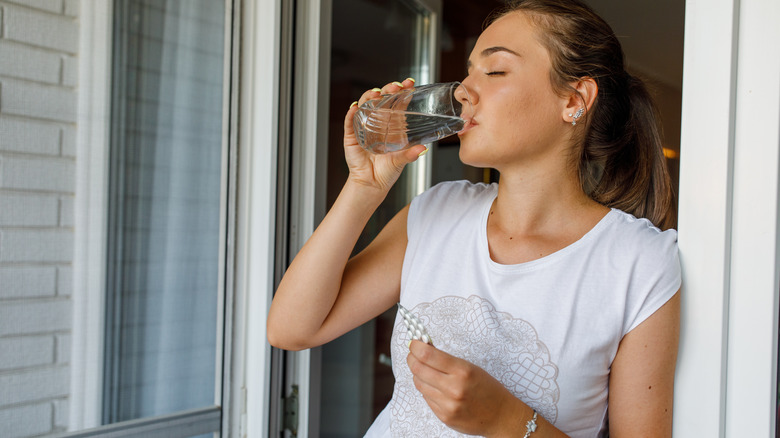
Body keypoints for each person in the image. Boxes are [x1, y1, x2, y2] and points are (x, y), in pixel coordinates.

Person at [267, 0, 681, 436]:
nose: (463, 90)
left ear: (574, 100)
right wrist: (364, 186)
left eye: (495, 70)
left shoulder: (640, 264)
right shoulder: (436, 211)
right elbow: (291, 329)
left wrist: (505, 418)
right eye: (468, 72)